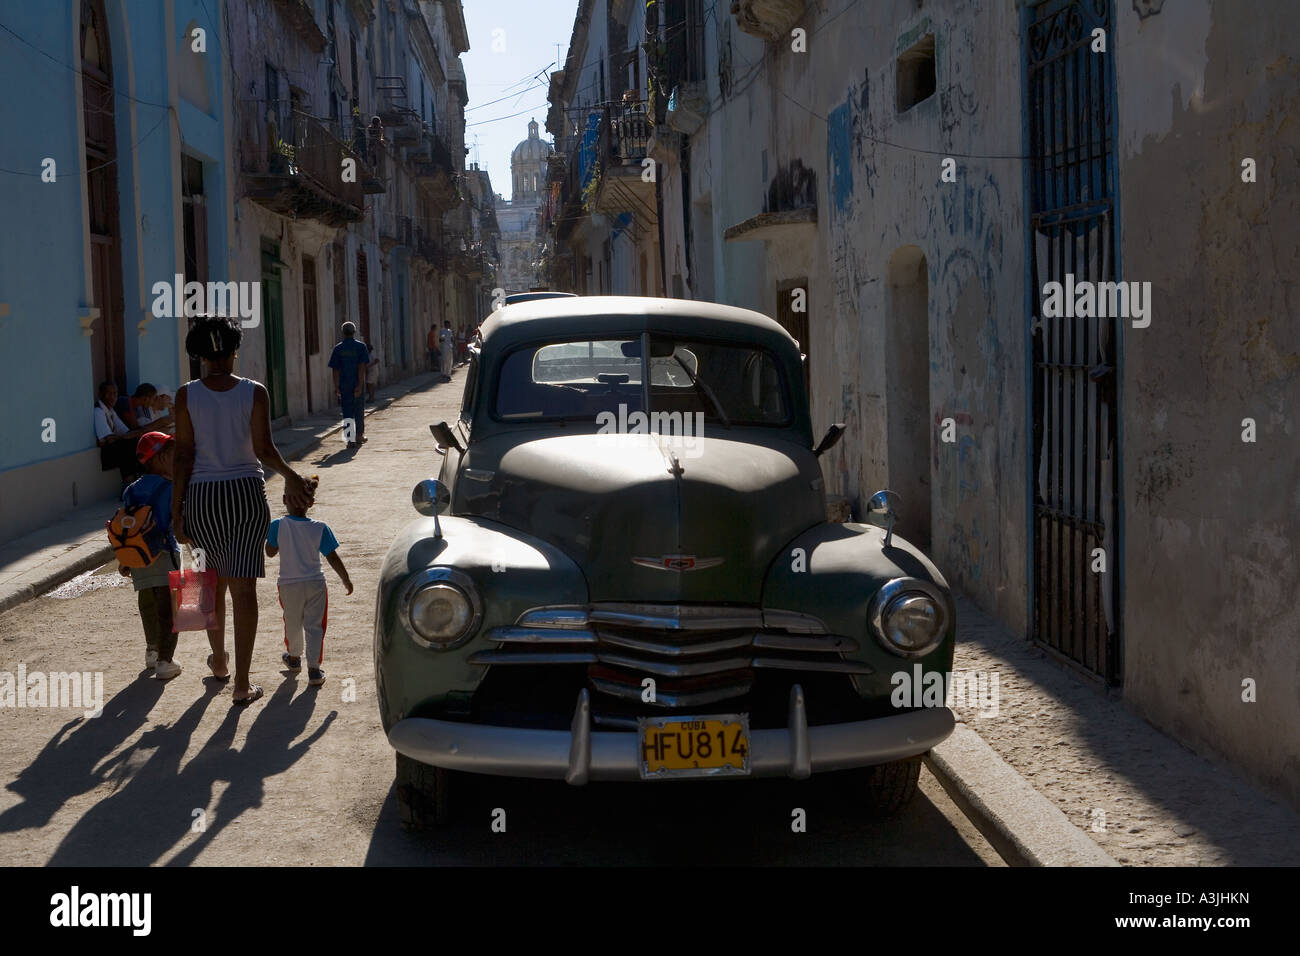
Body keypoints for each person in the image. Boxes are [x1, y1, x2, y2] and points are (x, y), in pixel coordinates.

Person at [171, 317, 313, 706]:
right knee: (244, 589)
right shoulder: (255, 392)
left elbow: (182, 455)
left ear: (199, 356)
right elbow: (265, 450)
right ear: (235, 351)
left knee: (208, 584)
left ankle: (219, 662)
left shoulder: (186, 396)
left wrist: (176, 510)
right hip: (246, 496)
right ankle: (242, 684)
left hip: (201, 499)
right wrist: (291, 475)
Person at [264, 475, 352, 688]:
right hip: (315, 583)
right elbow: (332, 556)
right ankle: (314, 669)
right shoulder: (320, 527)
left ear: (285, 499)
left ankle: (294, 658)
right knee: (314, 625)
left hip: (288, 584)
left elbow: (269, 552)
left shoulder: (278, 525)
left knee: (292, 621)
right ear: (311, 503)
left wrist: (276, 539)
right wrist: (345, 578)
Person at [117, 432, 182, 680]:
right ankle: (166, 661)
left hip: (138, 556)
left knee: (148, 604)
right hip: (164, 553)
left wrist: (124, 559)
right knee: (169, 609)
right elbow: (176, 523)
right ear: (161, 458)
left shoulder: (131, 490)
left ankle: (152, 651)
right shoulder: (171, 487)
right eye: (172, 455)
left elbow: (126, 525)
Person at [328, 321, 370, 447]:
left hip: (344, 384)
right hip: (356, 383)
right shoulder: (361, 347)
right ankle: (359, 435)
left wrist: (336, 386)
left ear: (343, 332)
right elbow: (362, 367)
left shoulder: (338, 348)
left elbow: (335, 369)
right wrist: (360, 384)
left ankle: (349, 439)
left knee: (347, 411)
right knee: (358, 410)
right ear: (354, 332)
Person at [94, 382, 144, 484]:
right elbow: (109, 439)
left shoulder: (111, 411)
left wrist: (133, 434)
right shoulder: (98, 411)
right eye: (109, 394)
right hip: (106, 454)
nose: (113, 397)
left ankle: (141, 479)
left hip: (114, 449)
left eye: (115, 394)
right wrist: (128, 435)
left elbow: (125, 431)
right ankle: (128, 482)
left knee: (138, 441)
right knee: (127, 444)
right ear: (101, 394)